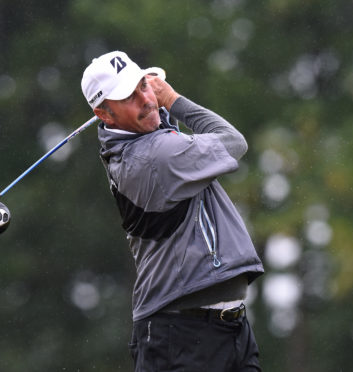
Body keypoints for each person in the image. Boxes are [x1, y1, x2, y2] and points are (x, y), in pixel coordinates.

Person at [81, 50, 264, 371]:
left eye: (143, 86)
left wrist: (157, 106)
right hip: (182, 336)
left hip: (222, 329)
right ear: (105, 114)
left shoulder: (141, 147)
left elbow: (165, 131)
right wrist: (172, 99)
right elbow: (233, 143)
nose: (146, 99)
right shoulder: (154, 157)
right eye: (130, 96)